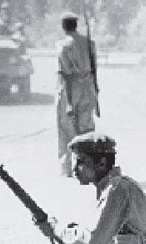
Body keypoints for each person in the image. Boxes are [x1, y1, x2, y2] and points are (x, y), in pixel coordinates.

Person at [56, 11, 99, 177]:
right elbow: (95, 70)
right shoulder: (90, 43)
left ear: (63, 26)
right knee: (87, 128)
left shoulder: (63, 45)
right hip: (88, 88)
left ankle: (68, 168)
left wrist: (67, 102)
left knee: (67, 128)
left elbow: (65, 75)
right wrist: (95, 90)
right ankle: (89, 166)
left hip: (71, 89)